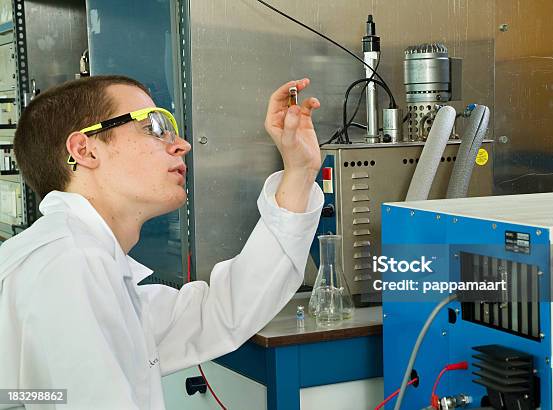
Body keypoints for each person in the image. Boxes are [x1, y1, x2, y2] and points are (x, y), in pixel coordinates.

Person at [0, 75, 323, 409]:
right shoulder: (68, 264)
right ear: (86, 150)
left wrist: (300, 171)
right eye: (154, 127)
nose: (181, 145)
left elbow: (220, 315)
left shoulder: (85, 262)